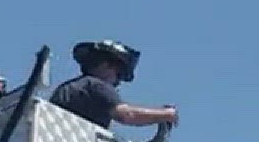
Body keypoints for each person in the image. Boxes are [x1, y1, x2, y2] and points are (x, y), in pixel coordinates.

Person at [48, 40, 179, 132]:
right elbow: (127, 115)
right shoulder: (96, 86)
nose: (118, 82)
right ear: (106, 65)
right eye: (119, 74)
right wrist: (166, 114)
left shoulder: (67, 89)